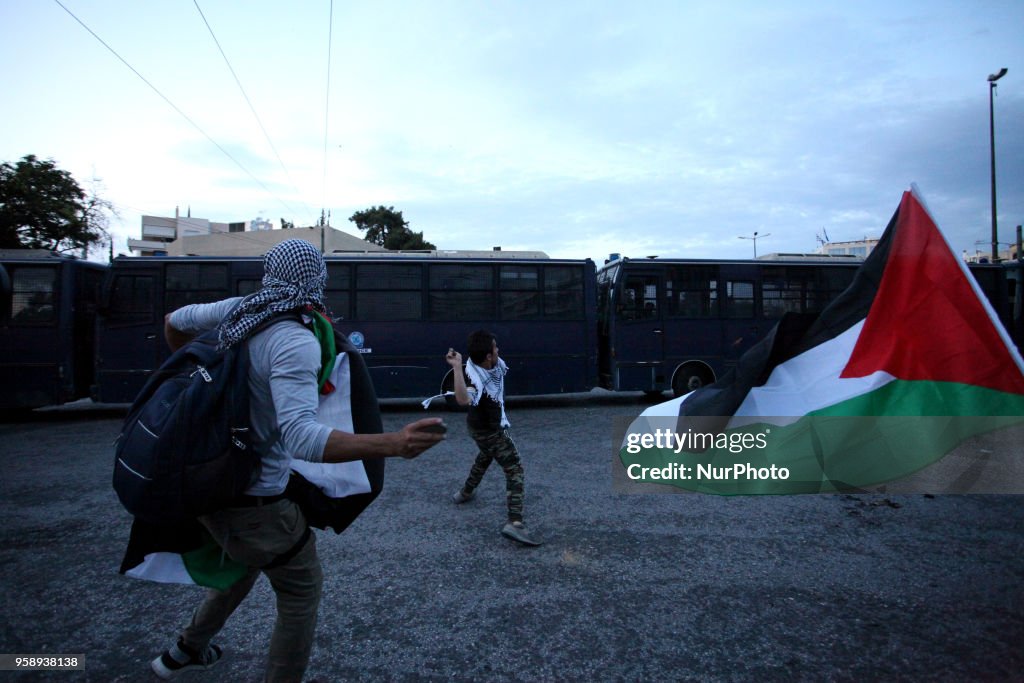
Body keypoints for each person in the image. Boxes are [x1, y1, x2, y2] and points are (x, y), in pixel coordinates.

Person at [151, 239, 445, 682]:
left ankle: (184, 651)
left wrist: (187, 376)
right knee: (300, 591)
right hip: (254, 500)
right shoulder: (293, 340)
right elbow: (302, 439)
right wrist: (392, 443)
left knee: (247, 560)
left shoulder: (240, 309)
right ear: (317, 280)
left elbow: (173, 323)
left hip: (206, 483)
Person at [446, 330, 541, 546]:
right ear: (489, 356)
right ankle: (514, 523)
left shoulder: (493, 365)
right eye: (495, 348)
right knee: (514, 467)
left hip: (482, 427)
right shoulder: (473, 376)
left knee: (485, 456)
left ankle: (465, 492)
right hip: (487, 430)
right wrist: (456, 367)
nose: (499, 350)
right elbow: (462, 399)